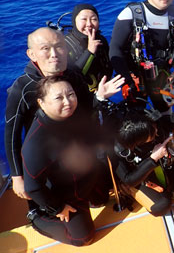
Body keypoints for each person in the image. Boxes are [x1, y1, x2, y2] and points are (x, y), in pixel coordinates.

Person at [4, 27, 124, 202]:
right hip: (47, 160)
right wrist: (16, 176)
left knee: (100, 199)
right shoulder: (23, 88)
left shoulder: (72, 73)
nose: (54, 54)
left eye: (59, 46)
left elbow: (86, 109)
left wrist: (99, 96)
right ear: (32, 54)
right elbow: (11, 134)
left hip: (77, 151)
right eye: (45, 48)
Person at [109, 0, 174, 156]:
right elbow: (115, 49)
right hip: (136, 80)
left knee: (165, 115)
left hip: (163, 78)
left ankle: (164, 147)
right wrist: (127, 78)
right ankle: (140, 156)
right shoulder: (131, 13)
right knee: (137, 122)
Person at [22, 76, 110, 246]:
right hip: (68, 195)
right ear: (41, 103)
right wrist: (58, 208)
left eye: (70, 94)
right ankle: (36, 216)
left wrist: (99, 97)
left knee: (102, 200)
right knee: (83, 239)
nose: (68, 101)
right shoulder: (36, 143)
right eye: (58, 98)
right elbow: (32, 187)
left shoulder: (72, 114)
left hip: (87, 177)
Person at [112, 111, 174, 216]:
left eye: (155, 128)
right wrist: (153, 157)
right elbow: (129, 180)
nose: (156, 131)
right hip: (141, 178)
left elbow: (171, 125)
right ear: (140, 140)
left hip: (164, 164)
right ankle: (130, 192)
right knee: (161, 207)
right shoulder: (119, 151)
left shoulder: (153, 125)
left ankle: (170, 186)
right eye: (153, 133)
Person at [65, 4, 113, 92]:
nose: (89, 24)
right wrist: (90, 51)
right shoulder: (66, 45)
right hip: (77, 97)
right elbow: (73, 76)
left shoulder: (101, 40)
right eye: (84, 19)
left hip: (100, 93)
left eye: (94, 19)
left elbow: (108, 66)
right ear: (74, 21)